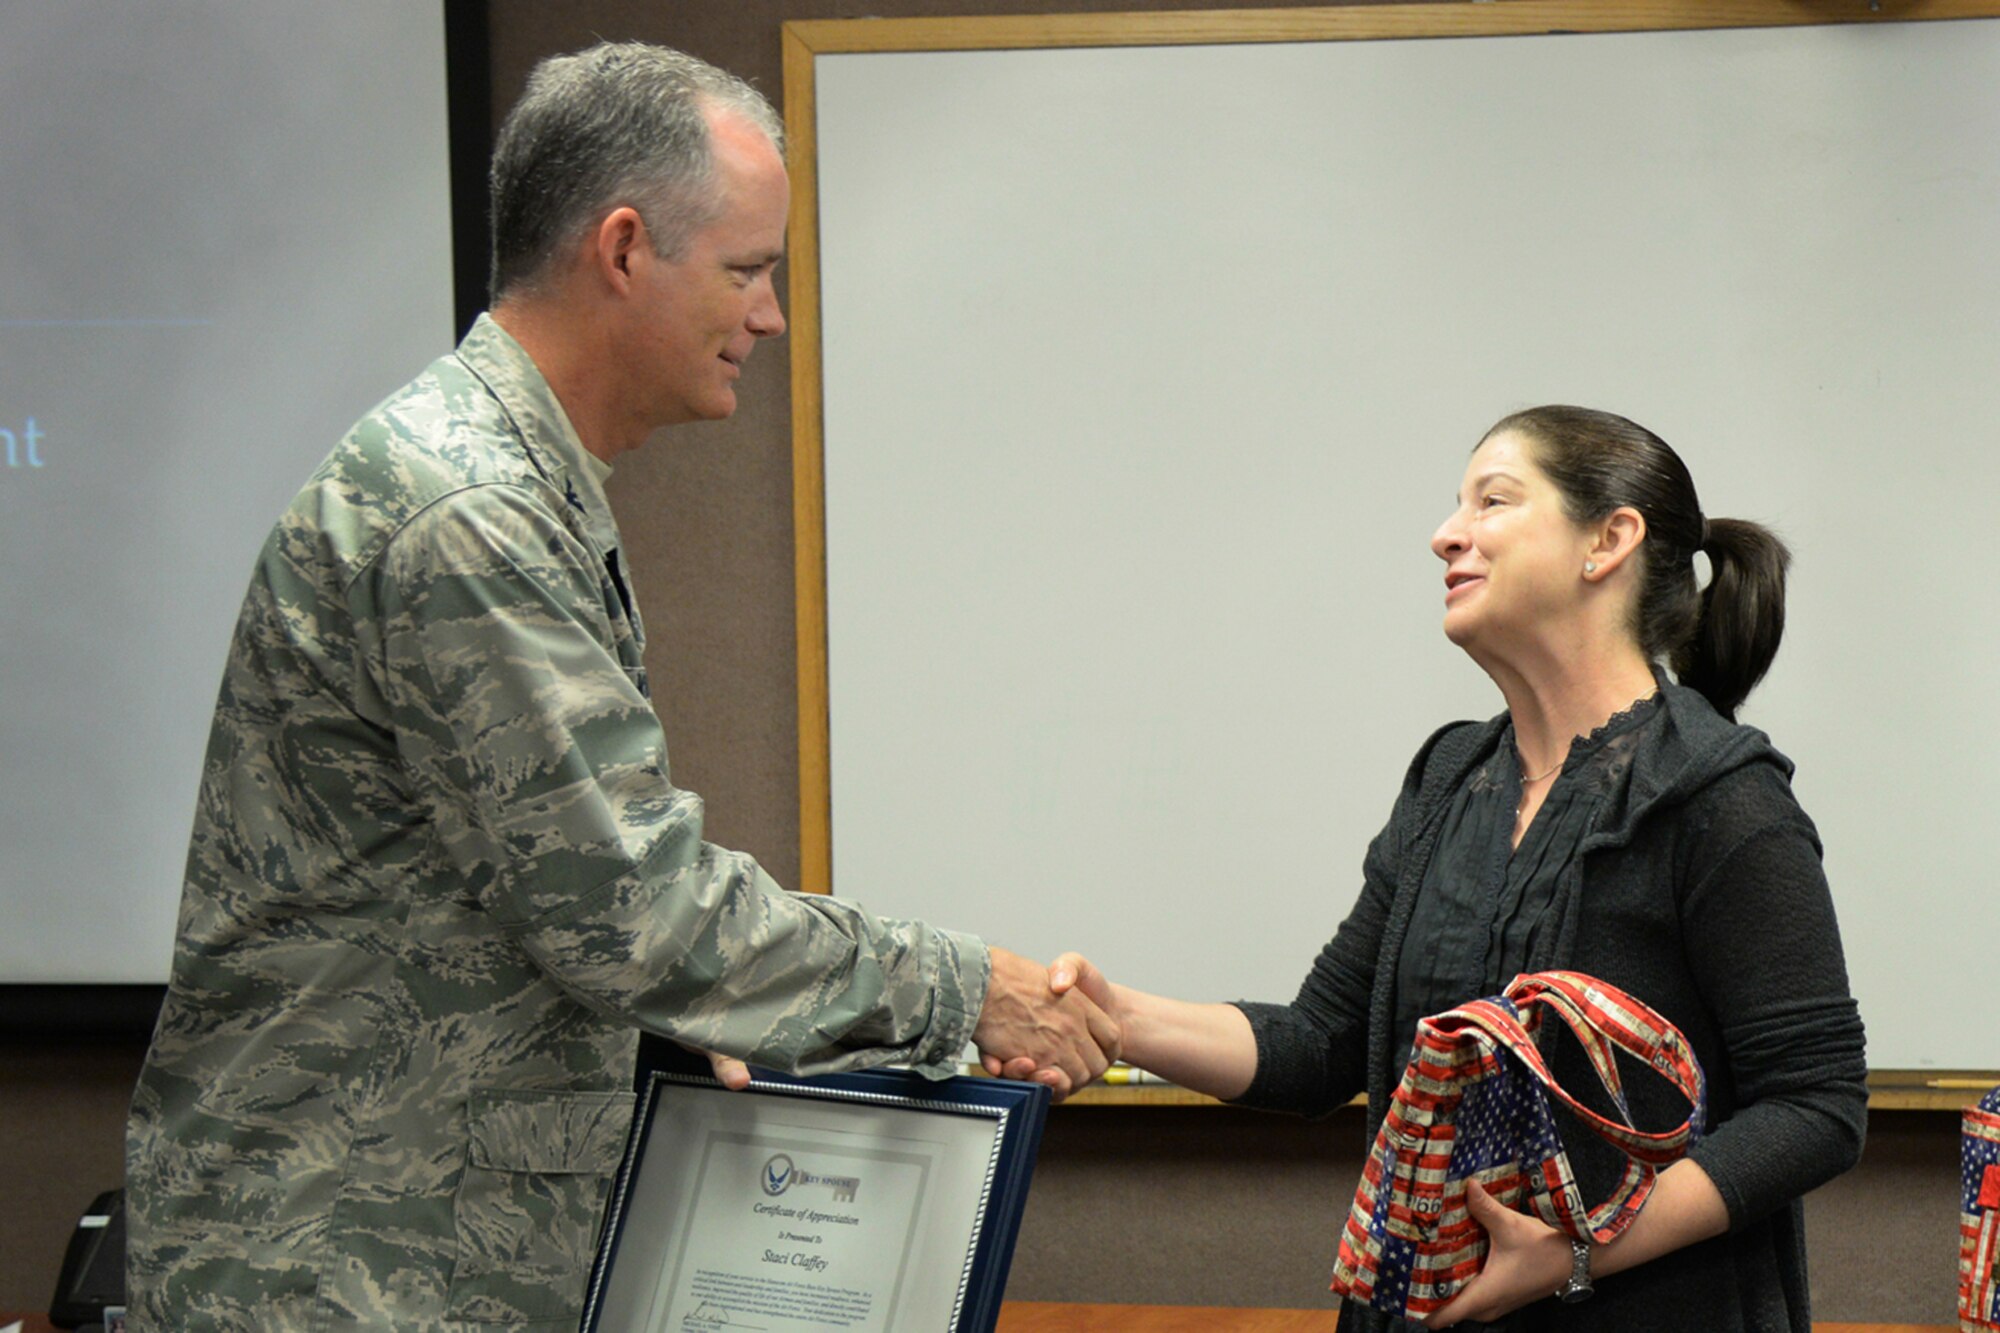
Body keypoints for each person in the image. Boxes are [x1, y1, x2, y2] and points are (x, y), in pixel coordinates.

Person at [125, 42, 1118, 1332]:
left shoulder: (514, 481)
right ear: (625, 247)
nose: (768, 316)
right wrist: (963, 985)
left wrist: (673, 1031)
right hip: (343, 1265)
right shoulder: (470, 510)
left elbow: (520, 902)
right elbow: (634, 911)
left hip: (404, 1249)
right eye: (748, 271)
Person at [1009, 406, 1868, 1331]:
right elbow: (1320, 1040)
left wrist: (1581, 1249)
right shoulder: (1449, 778)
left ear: (1608, 540)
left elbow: (1817, 1105)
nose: (1444, 533)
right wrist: (1114, 1016)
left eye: (1492, 501)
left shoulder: (1720, 799)